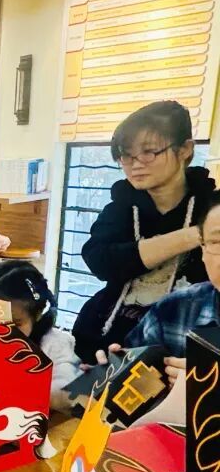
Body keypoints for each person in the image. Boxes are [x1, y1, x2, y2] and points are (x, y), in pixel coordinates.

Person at [73, 101, 216, 362]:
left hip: (184, 339)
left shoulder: (211, 206)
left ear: (185, 149)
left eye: (149, 152)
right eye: (126, 155)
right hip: (110, 331)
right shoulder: (121, 207)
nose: (135, 164)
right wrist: (195, 235)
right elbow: (100, 261)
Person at [112, 190, 220, 383]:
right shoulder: (175, 310)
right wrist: (106, 377)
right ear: (203, 249)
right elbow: (133, 381)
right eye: (217, 241)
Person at [0, 260, 80, 413]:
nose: (3, 332)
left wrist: (17, 390)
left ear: (37, 315)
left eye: (15, 324)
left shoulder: (54, 344)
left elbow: (66, 390)